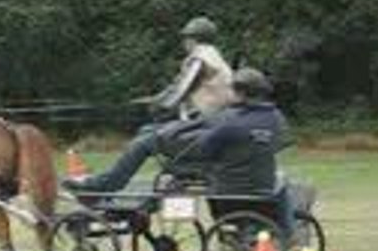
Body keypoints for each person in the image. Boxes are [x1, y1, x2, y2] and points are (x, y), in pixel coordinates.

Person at [63, 68, 287, 197]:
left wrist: (171, 133)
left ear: (242, 93)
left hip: (214, 166)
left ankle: (106, 184)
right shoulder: (275, 118)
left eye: (233, 90)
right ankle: (108, 178)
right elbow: (277, 143)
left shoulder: (234, 120)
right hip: (255, 175)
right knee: (148, 131)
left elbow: (206, 145)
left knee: (145, 141)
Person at [143, 15, 236, 120]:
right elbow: (177, 84)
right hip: (221, 112)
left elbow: (183, 88)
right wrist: (155, 98)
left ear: (194, 39)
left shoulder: (200, 58)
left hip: (204, 115)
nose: (184, 42)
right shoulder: (214, 55)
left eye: (187, 37)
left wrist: (161, 106)